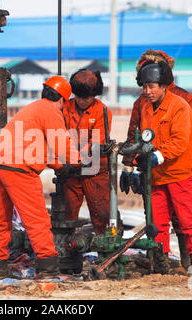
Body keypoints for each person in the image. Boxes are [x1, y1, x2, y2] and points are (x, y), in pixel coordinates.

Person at [0, 75, 80, 280]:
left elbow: (36, 147)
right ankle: (47, 267)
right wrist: (78, 162)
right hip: (18, 168)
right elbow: (62, 145)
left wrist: (57, 165)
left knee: (0, 220)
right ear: (62, 100)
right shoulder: (51, 110)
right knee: (37, 219)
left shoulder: (32, 109)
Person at [120, 49, 192, 269]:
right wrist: (131, 164)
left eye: (151, 87)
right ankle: (160, 259)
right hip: (156, 175)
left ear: (164, 83)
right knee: (156, 221)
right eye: (144, 87)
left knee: (186, 219)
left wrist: (157, 157)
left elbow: (180, 141)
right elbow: (137, 137)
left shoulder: (181, 105)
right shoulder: (145, 107)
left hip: (181, 172)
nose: (147, 91)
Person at [62, 69, 117, 235]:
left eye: (85, 97)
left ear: (94, 94)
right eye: (78, 96)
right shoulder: (65, 107)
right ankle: (67, 249)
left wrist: (74, 157)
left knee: (102, 214)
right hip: (71, 172)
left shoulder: (103, 111)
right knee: (67, 215)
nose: (81, 101)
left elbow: (96, 142)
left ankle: (105, 248)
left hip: (95, 172)